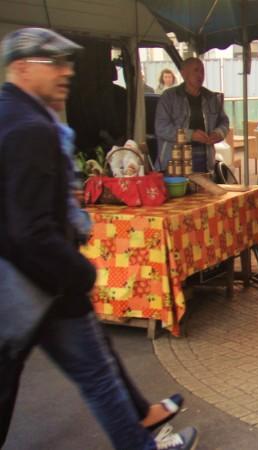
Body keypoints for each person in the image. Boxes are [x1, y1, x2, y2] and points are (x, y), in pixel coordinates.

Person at [0, 27, 197, 450]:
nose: (65, 71)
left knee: (98, 372)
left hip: (38, 285)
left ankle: (145, 425)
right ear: (20, 67)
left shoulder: (17, 115)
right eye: (52, 62)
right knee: (96, 375)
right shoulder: (29, 127)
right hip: (34, 284)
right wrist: (81, 272)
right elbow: (30, 231)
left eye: (67, 62)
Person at [155, 57, 229, 173]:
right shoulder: (169, 97)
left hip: (204, 159)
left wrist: (219, 133)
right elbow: (161, 128)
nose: (200, 75)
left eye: (202, 71)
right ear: (184, 73)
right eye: (196, 70)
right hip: (176, 161)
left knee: (202, 191)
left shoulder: (211, 98)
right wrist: (190, 135)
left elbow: (224, 121)